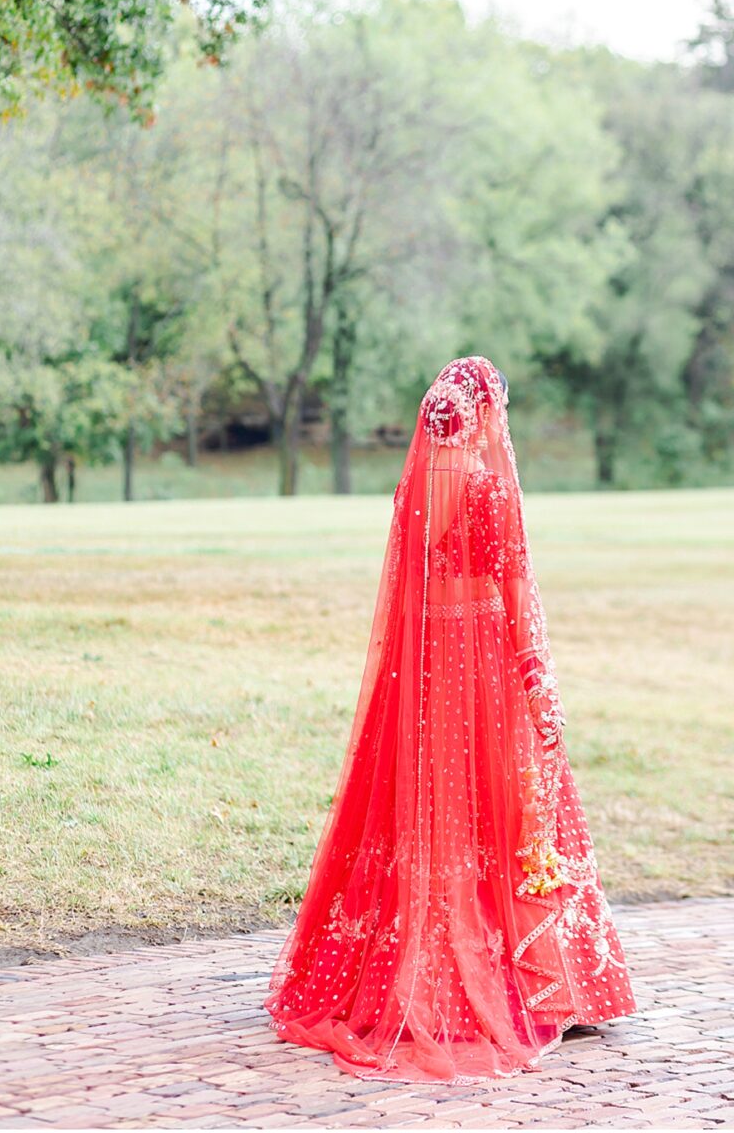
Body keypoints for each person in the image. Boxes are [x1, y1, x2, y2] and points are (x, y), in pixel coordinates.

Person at [266, 356, 635, 1081]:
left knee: (431, 810)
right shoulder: (489, 488)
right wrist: (538, 683)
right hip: (485, 668)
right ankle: (547, 987)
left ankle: (386, 977)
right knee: (510, 808)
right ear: (485, 416)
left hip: (427, 668)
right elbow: (517, 587)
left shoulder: (414, 490)